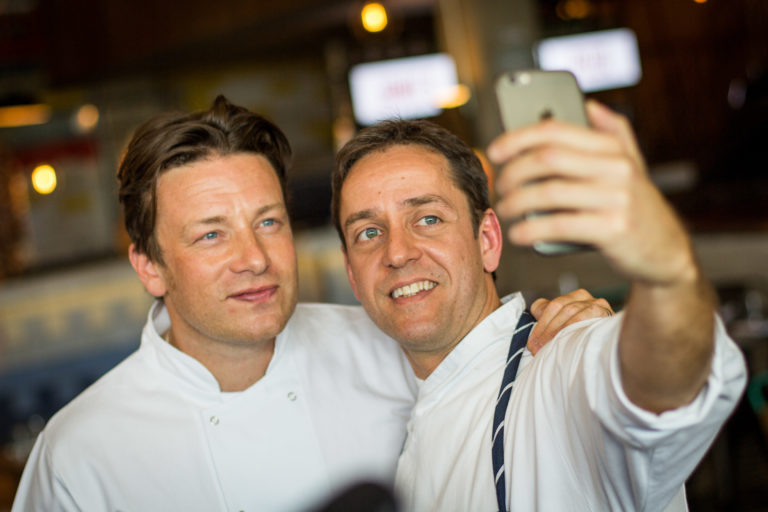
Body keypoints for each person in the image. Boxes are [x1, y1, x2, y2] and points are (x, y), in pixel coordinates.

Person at [11, 97, 610, 512]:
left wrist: (584, 333)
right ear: (149, 266)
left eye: (268, 222)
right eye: (211, 234)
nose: (254, 258)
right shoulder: (81, 453)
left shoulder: (391, 342)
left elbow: (499, 364)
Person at [331, 104, 747, 511]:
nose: (397, 253)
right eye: (369, 232)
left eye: (428, 219)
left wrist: (667, 269)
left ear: (487, 241)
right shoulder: (403, 430)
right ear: (353, 275)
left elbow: (669, 377)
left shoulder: (558, 363)